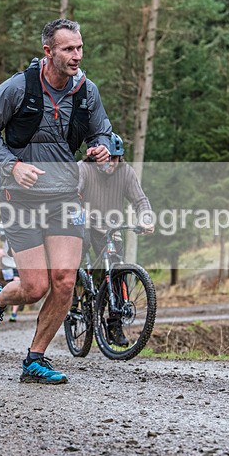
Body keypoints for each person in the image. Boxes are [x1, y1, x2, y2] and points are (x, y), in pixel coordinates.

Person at [0, 18, 112, 385]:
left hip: (64, 194)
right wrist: (12, 165)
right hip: (18, 197)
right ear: (48, 51)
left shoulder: (87, 91)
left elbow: (103, 131)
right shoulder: (17, 88)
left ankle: (35, 359)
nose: (76, 55)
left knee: (64, 280)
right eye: (68, 49)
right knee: (34, 288)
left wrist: (101, 147)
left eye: (79, 48)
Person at [77, 132, 154, 346]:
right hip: (84, 222)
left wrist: (146, 219)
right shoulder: (83, 169)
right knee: (78, 249)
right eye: (107, 157)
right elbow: (72, 192)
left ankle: (114, 325)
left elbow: (140, 200)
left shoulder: (126, 173)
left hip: (110, 227)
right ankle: (72, 296)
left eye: (115, 158)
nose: (111, 163)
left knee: (117, 270)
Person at [0, 226, 21, 321]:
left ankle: (13, 313)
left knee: (17, 284)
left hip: (19, 262)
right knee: (9, 286)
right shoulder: (2, 224)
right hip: (6, 261)